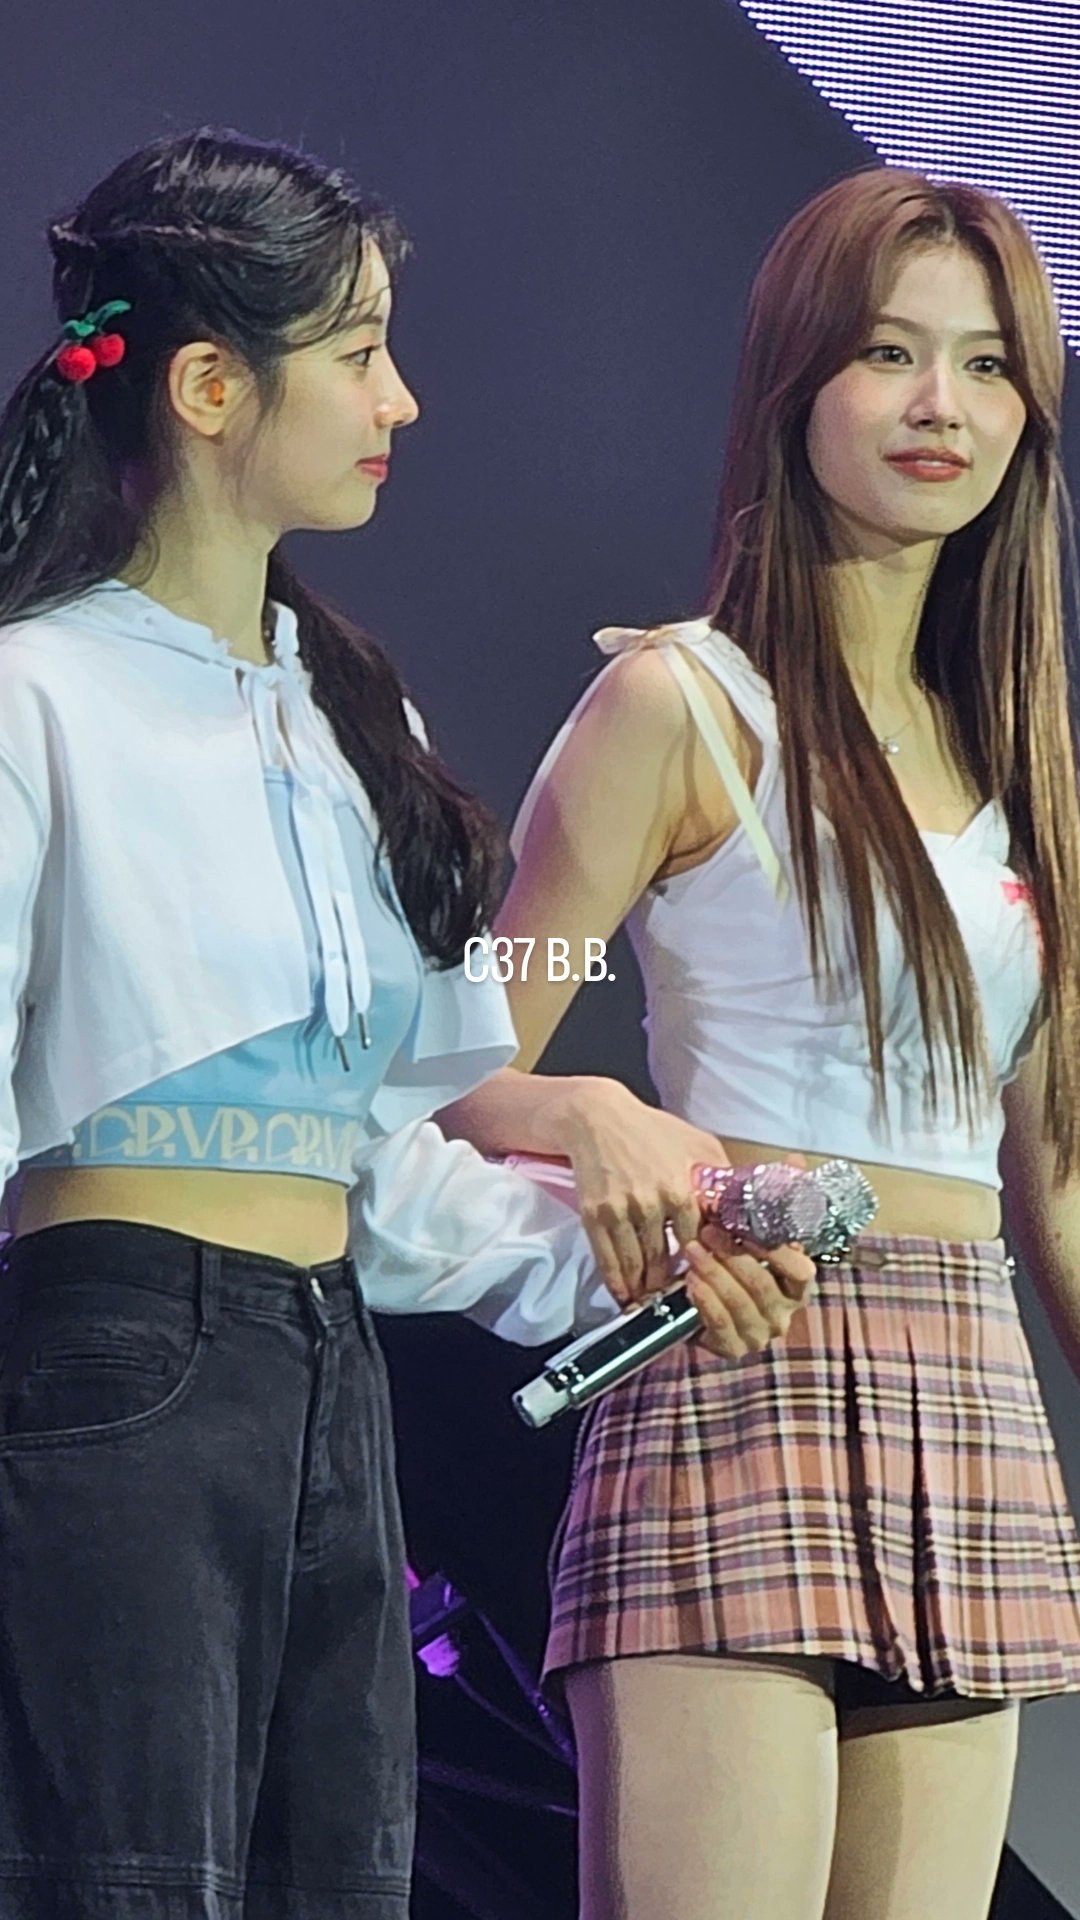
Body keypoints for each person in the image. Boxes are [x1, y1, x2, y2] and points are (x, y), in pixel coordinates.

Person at [0, 125, 769, 1920]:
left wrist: (625, 1262)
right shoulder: (38, 694)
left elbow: (375, 1164)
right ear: (210, 386)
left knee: (342, 1880)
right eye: (358, 353)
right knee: (123, 1878)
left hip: (332, 1371)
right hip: (113, 1368)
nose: (401, 399)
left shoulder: (354, 710)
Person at [442, 168, 1080, 1920]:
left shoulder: (1028, 764)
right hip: (743, 1356)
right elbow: (458, 1065)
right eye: (888, 353)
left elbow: (1058, 1178)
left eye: (986, 366)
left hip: (969, 1392)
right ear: (796, 383)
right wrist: (593, 1113)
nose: (942, 406)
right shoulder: (678, 706)